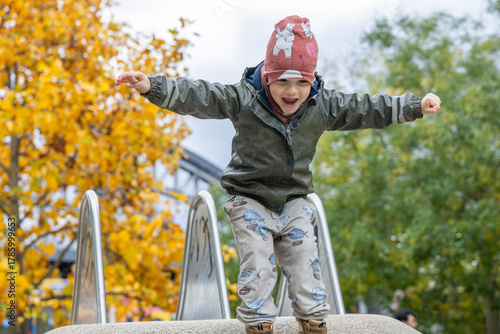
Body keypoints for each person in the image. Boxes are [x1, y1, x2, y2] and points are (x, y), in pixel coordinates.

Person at [115, 15, 440, 334]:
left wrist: (414, 106)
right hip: (249, 198)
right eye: (282, 81)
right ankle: (258, 323)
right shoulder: (243, 99)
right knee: (259, 260)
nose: (292, 92)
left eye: (302, 82)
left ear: (312, 81)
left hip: (294, 201)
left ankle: (313, 321)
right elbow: (201, 95)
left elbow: (366, 108)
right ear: (267, 76)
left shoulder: (322, 105)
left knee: (305, 262)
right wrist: (152, 87)